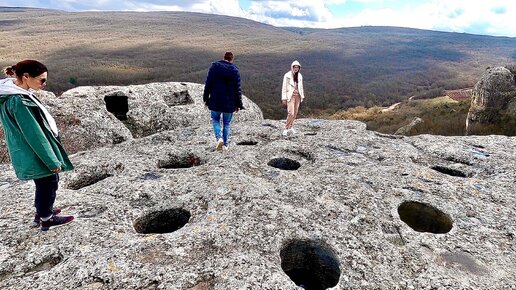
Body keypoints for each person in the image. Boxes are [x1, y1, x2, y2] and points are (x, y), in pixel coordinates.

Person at [0, 60, 74, 231]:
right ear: (26, 77)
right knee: (49, 182)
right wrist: (51, 161)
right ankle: (47, 218)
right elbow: (34, 135)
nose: (44, 84)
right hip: (33, 152)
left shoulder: (12, 92)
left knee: (44, 183)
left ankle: (42, 211)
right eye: (41, 80)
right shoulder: (18, 101)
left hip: (27, 150)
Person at [203, 51, 244, 151]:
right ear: (232, 59)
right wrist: (239, 104)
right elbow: (237, 89)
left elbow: (208, 83)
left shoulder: (214, 67)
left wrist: (205, 98)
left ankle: (219, 138)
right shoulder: (235, 70)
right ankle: (225, 145)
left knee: (215, 120)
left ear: (223, 57)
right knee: (226, 124)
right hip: (229, 103)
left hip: (215, 100)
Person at [281, 60, 305, 136]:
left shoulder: (300, 76)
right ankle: (286, 128)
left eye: (297, 67)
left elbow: (301, 87)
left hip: (298, 96)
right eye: (295, 67)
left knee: (295, 113)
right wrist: (284, 98)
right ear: (292, 67)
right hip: (290, 96)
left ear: (299, 68)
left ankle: (291, 127)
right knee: (290, 113)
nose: (296, 68)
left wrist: (302, 96)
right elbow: (284, 87)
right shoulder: (287, 75)